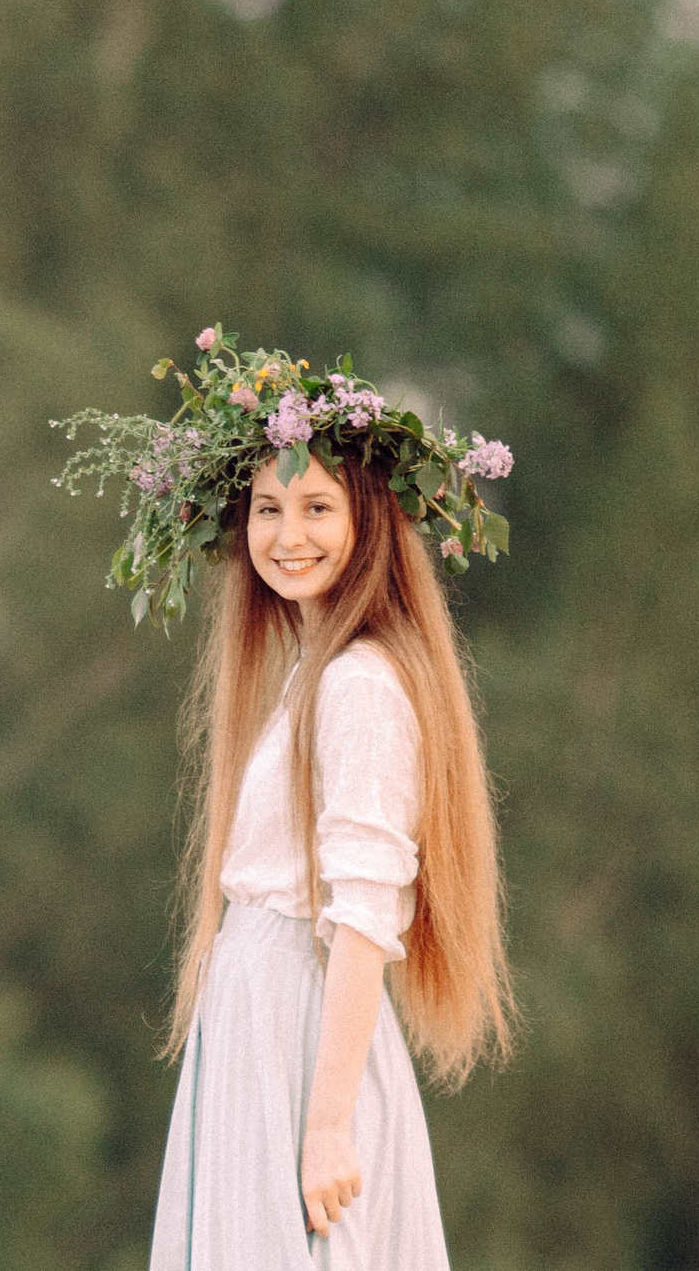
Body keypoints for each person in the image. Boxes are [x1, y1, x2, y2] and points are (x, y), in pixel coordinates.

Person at [54, 334, 516, 1269]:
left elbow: (362, 916)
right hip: (260, 1029)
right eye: (267, 507)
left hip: (302, 1037)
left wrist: (326, 1127)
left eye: (316, 506)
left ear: (370, 524)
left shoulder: (360, 685)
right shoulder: (313, 672)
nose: (287, 533)